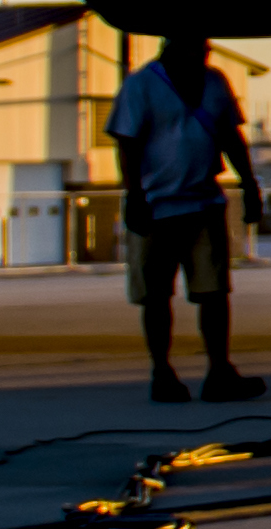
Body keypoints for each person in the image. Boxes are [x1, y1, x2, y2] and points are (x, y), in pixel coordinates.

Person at [109, 30, 260, 406]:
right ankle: (162, 371)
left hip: (204, 202)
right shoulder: (141, 85)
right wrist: (135, 196)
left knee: (214, 292)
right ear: (173, 50)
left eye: (206, 49)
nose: (204, 56)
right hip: (157, 206)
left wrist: (250, 183)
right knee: (155, 296)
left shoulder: (215, 82)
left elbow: (230, 135)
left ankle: (219, 371)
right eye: (196, 49)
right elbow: (125, 142)